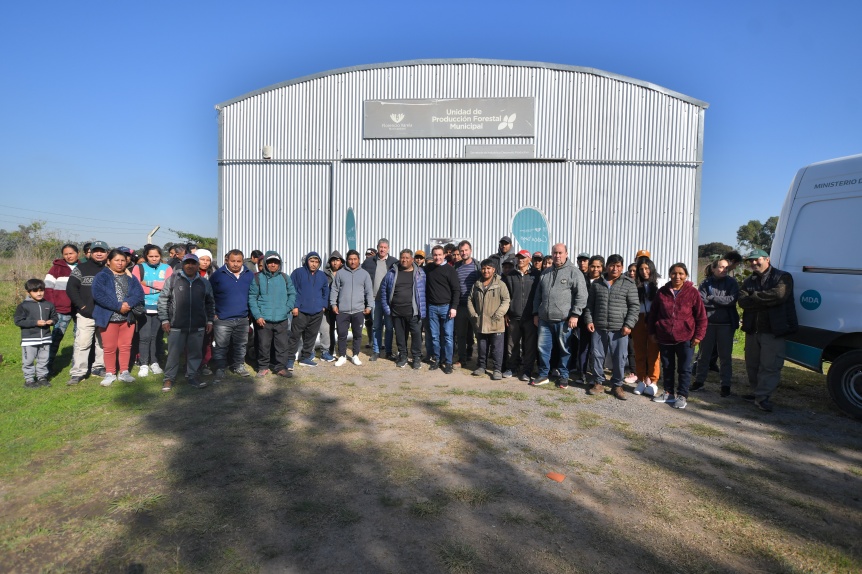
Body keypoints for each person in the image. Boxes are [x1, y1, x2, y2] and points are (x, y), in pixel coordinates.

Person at [738, 249, 797, 412]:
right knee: (752, 364)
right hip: (753, 330)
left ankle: (762, 397)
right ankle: (757, 392)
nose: (753, 263)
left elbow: (779, 295)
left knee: (770, 365)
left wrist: (754, 296)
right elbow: (742, 300)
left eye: (757, 260)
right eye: (751, 261)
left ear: (767, 259)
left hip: (773, 330)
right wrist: (764, 299)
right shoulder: (749, 280)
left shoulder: (783, 277)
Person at [648, 263, 707, 410]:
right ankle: (668, 393)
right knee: (667, 366)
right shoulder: (662, 292)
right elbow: (653, 314)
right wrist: (652, 332)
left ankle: (682, 395)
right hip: (665, 336)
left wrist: (698, 336)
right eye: (674, 273)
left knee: (684, 368)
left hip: (686, 337)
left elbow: (701, 317)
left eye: (681, 273)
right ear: (670, 274)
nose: (677, 276)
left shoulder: (692, 293)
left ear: (686, 275)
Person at [582, 254, 639, 399]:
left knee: (619, 358)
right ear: (607, 266)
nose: (615, 268)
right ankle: (598, 382)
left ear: (622, 267)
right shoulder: (597, 283)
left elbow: (634, 307)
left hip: (620, 329)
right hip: (599, 327)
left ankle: (617, 385)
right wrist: (589, 320)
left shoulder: (628, 284)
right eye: (612, 265)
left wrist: (628, 324)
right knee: (597, 356)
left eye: (618, 266)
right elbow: (589, 306)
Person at [530, 243, 588, 387]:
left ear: (566, 254)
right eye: (555, 253)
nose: (557, 256)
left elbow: (582, 295)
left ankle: (564, 376)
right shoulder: (545, 272)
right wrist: (536, 313)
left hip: (564, 320)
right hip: (544, 319)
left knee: (565, 349)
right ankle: (543, 374)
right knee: (543, 348)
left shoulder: (574, 272)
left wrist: (575, 314)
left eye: (560, 253)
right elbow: (538, 295)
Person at [158, 253, 214, 391]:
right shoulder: (172, 280)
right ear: (182, 264)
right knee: (173, 354)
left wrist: (210, 320)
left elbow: (210, 303)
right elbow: (163, 300)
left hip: (198, 325)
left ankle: (192, 376)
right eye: (187, 263)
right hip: (176, 325)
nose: (190, 266)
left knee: (195, 353)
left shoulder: (204, 282)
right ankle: (169, 379)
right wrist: (165, 319)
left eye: (193, 263)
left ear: (197, 265)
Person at [92, 249, 145, 387]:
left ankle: (124, 372)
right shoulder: (101, 276)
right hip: (109, 317)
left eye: (123, 260)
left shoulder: (130, 277)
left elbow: (139, 294)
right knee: (109, 347)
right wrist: (118, 306)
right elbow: (98, 295)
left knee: (125, 346)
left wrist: (128, 304)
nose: (120, 263)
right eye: (117, 260)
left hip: (127, 317)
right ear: (108, 261)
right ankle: (110, 373)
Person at [692, 258, 740, 397]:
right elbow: (701, 301)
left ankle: (725, 385)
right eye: (720, 267)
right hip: (708, 324)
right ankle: (699, 382)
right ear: (713, 269)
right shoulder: (705, 283)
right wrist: (719, 302)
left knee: (725, 357)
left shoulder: (732, 282)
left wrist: (712, 298)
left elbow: (732, 300)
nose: (724, 270)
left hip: (726, 325)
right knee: (703, 355)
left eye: (726, 267)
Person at [66, 240, 110, 385]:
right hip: (86, 314)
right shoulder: (81, 268)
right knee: (82, 343)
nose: (99, 253)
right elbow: (71, 288)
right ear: (90, 252)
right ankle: (78, 372)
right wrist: (82, 307)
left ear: (107, 253)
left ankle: (99, 367)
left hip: (105, 313)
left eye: (102, 251)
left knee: (102, 343)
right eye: (96, 250)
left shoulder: (110, 269)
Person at [249, 251, 297, 377]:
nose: (273, 265)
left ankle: (280, 367)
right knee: (263, 345)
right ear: (265, 263)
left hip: (281, 318)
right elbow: (252, 297)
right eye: (270, 262)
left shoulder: (285, 278)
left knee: (282, 345)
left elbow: (292, 294)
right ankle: (263, 367)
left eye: (276, 262)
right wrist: (258, 315)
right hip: (264, 319)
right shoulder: (258, 278)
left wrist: (287, 308)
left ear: (279, 264)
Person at [210, 249, 255, 381]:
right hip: (222, 318)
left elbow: (253, 295)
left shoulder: (249, 274)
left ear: (242, 261)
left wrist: (250, 314)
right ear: (227, 261)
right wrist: (213, 314)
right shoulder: (218, 275)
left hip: (242, 318)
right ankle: (220, 368)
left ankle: (238, 366)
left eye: (238, 261)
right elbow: (209, 296)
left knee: (240, 345)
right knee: (221, 345)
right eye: (233, 261)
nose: (235, 264)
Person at [380, 249, 427, 369]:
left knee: (416, 335)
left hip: (413, 312)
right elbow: (384, 291)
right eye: (402, 257)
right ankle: (403, 356)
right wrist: (387, 309)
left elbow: (424, 293)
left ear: (412, 259)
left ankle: (416, 357)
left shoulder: (420, 273)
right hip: (396, 311)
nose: (404, 260)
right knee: (400, 336)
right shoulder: (391, 273)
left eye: (407, 257)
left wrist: (422, 310)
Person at [132, 245, 172, 377]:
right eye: (151, 256)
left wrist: (147, 283)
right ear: (146, 256)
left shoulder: (167, 268)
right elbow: (136, 287)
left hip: (160, 308)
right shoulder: (138, 268)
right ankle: (143, 364)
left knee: (156, 337)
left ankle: (154, 362)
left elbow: (168, 286)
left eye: (157, 256)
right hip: (143, 307)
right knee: (144, 337)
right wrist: (157, 287)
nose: (154, 259)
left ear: (160, 256)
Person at [468, 259, 511, 380]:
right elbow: (469, 300)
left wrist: (499, 314)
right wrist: (473, 313)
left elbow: (506, 300)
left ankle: (497, 369)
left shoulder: (500, 284)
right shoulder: (477, 284)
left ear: (494, 270)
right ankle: (481, 366)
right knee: (482, 346)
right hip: (481, 322)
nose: (485, 271)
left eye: (488, 268)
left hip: (496, 322)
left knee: (497, 348)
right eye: (483, 268)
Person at [286, 252, 330, 369]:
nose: (314, 264)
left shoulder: (322, 276)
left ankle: (305, 358)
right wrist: (294, 306)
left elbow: (326, 292)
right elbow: (291, 290)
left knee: (311, 336)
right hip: (300, 311)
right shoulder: (298, 273)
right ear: (307, 261)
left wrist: (323, 305)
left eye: (316, 262)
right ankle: (289, 359)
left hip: (317, 312)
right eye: (312, 261)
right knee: (295, 336)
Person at [331, 250, 374, 366]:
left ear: (359, 260)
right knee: (342, 334)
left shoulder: (364, 274)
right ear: (347, 260)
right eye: (350, 259)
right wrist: (333, 305)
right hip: (342, 310)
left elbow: (369, 291)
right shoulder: (340, 273)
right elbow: (334, 289)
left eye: (355, 259)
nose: (353, 261)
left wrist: (369, 306)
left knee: (358, 334)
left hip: (358, 310)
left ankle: (355, 355)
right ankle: (342, 356)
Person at [503, 250, 539, 381]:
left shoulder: (536, 275)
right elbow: (506, 297)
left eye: (523, 258)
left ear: (529, 259)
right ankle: (512, 368)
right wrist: (507, 313)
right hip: (514, 316)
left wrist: (536, 314)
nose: (520, 260)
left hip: (530, 317)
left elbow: (538, 297)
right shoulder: (510, 275)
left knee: (529, 346)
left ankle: (527, 370)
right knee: (512, 344)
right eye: (519, 257)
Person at [15, 278, 58, 388]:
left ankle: (42, 378)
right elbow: (18, 321)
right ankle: (29, 380)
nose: (39, 293)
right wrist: (35, 323)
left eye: (41, 290)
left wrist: (51, 321)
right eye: (35, 291)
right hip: (29, 339)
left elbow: (55, 317)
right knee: (28, 360)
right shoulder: (23, 306)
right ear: (28, 292)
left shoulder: (48, 305)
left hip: (46, 338)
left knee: (43, 359)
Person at [424, 245, 460, 374]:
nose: (437, 257)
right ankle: (437, 359)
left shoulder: (450, 270)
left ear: (444, 255)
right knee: (434, 336)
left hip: (447, 308)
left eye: (439, 255)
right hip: (432, 308)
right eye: (435, 255)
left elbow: (456, 290)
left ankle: (448, 362)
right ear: (432, 256)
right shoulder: (428, 269)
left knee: (448, 337)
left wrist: (454, 307)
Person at [44, 243, 79, 372]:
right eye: (66, 254)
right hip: (61, 309)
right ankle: (47, 365)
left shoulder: (82, 267)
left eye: (71, 253)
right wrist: (51, 307)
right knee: (56, 336)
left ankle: (77, 365)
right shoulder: (56, 268)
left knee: (79, 337)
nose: (69, 256)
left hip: (79, 309)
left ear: (78, 253)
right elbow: (48, 288)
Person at [362, 239, 398, 361]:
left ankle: (388, 351)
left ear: (388, 248)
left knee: (389, 327)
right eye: (380, 247)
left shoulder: (394, 262)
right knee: (376, 326)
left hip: (388, 301)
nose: (382, 249)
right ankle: (376, 351)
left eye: (384, 247)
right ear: (377, 248)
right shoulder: (368, 262)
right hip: (374, 299)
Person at [631, 257, 661, 397]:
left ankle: (653, 381)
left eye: (647, 268)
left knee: (654, 351)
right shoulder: (635, 284)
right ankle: (641, 379)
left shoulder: (660, 283)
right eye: (641, 269)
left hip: (654, 319)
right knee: (639, 349)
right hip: (638, 318)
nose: (644, 272)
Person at [454, 240, 480, 366]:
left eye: (466, 250)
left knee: (478, 334)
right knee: (461, 334)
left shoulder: (477, 266)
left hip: (475, 306)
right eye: (461, 251)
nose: (464, 253)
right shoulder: (456, 267)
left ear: (471, 250)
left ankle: (480, 360)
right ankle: (462, 359)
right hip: (460, 306)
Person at [318, 252, 343, 363]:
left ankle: (342, 352)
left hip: (342, 306)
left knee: (342, 330)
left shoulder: (345, 273)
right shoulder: (324, 274)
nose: (335, 262)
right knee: (328, 329)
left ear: (341, 261)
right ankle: (328, 350)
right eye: (333, 260)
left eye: (337, 260)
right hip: (328, 307)